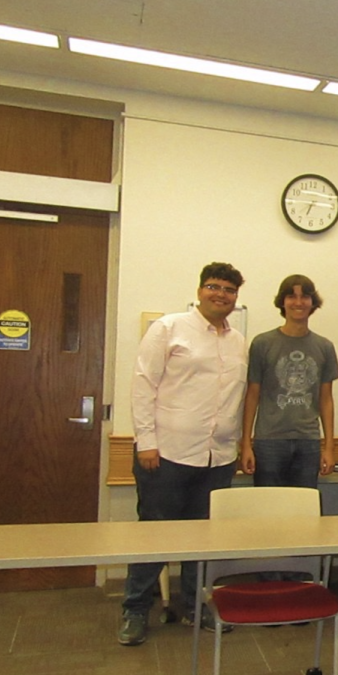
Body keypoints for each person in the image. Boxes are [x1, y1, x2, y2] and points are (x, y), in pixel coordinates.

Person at [119, 262, 247, 646]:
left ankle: (196, 605)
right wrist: (146, 442)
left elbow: (237, 397)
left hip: (218, 456)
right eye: (214, 286)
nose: (220, 294)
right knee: (156, 536)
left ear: (236, 297)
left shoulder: (238, 340)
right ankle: (135, 610)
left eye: (228, 289)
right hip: (167, 453)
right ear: (200, 289)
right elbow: (143, 385)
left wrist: (240, 445)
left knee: (202, 538)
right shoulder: (169, 329)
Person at [240, 274, 338, 488]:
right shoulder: (262, 343)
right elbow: (252, 396)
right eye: (291, 296)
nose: (298, 302)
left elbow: (326, 400)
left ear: (312, 302)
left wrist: (329, 448)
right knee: (268, 507)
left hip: (309, 441)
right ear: (282, 302)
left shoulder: (324, 347)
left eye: (304, 297)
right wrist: (246, 443)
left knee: (303, 509)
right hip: (269, 441)